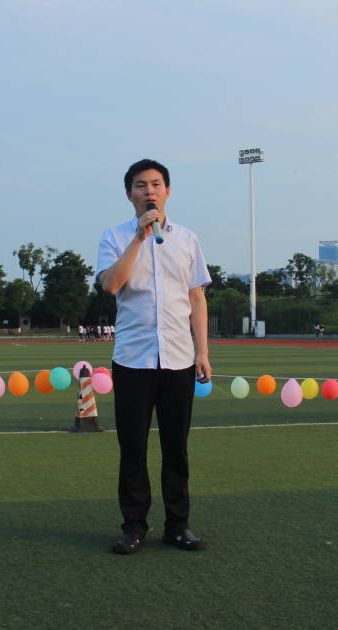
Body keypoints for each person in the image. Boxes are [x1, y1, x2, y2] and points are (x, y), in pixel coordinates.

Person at [96, 159, 211, 555]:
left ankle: (178, 526)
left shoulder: (188, 239)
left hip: (179, 359)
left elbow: (197, 297)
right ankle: (133, 527)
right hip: (133, 360)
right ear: (130, 194)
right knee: (133, 448)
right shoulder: (114, 237)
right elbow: (111, 285)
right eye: (141, 185)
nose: (150, 191)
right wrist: (139, 238)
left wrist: (203, 351)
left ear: (168, 191)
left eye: (157, 184)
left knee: (176, 448)